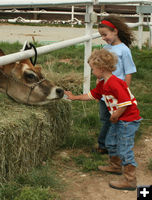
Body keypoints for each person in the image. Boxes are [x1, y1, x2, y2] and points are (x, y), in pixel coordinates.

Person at [64, 49, 141, 190]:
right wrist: (74, 97)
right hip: (118, 119)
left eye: (93, 69)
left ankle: (130, 181)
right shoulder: (103, 83)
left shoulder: (115, 83)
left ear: (102, 69)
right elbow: (92, 95)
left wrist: (115, 115)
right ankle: (115, 166)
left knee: (124, 148)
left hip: (128, 120)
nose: (92, 72)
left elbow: (125, 103)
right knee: (110, 142)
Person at [95, 15, 137, 154]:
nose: (103, 38)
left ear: (115, 31)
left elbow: (128, 72)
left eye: (105, 34)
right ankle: (108, 144)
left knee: (114, 119)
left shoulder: (124, 50)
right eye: (101, 35)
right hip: (104, 94)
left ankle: (105, 145)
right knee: (105, 119)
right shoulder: (106, 48)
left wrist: (125, 91)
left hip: (116, 94)